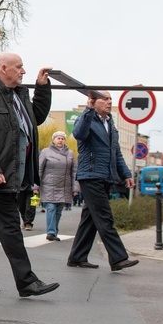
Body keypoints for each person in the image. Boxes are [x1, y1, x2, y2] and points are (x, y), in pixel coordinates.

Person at [0, 52, 59, 296]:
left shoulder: (19, 96)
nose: (23, 71)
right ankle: (26, 281)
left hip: (15, 175)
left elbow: (36, 117)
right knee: (10, 227)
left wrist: (42, 88)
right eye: (19, 67)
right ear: (3, 68)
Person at [67, 91, 139, 271]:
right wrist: (88, 109)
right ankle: (118, 258)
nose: (109, 101)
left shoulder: (111, 124)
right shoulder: (86, 118)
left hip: (105, 176)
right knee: (105, 217)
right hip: (90, 176)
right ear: (93, 101)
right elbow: (79, 133)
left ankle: (77, 257)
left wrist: (127, 174)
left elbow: (117, 153)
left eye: (110, 99)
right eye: (104, 99)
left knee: (90, 219)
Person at [39, 131, 78, 241]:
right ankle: (50, 232)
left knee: (59, 210)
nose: (60, 140)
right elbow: (39, 169)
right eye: (58, 138)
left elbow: (74, 172)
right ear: (53, 140)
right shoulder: (46, 152)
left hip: (64, 186)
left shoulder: (70, 154)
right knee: (51, 207)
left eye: (62, 138)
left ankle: (54, 231)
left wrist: (75, 188)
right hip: (49, 185)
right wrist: (36, 186)